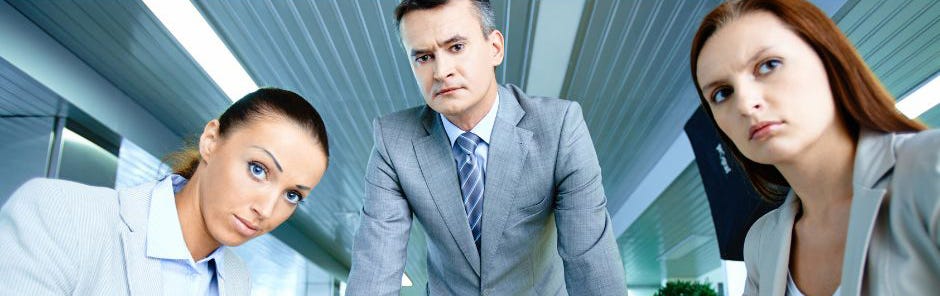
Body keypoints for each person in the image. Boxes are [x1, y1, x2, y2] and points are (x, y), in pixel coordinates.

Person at [346, 0, 626, 295]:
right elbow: (374, 268)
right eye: (424, 57)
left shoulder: (559, 129)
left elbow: (592, 264)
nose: (441, 72)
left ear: (495, 48)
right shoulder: (394, 142)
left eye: (456, 47)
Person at [689, 0, 940, 295]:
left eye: (768, 65)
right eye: (721, 94)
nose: (745, 103)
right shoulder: (761, 243)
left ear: (828, 59)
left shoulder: (929, 168)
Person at [0, 88, 330, 295]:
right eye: (258, 169)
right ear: (211, 140)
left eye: (292, 195)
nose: (267, 208)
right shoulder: (61, 214)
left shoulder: (237, 279)